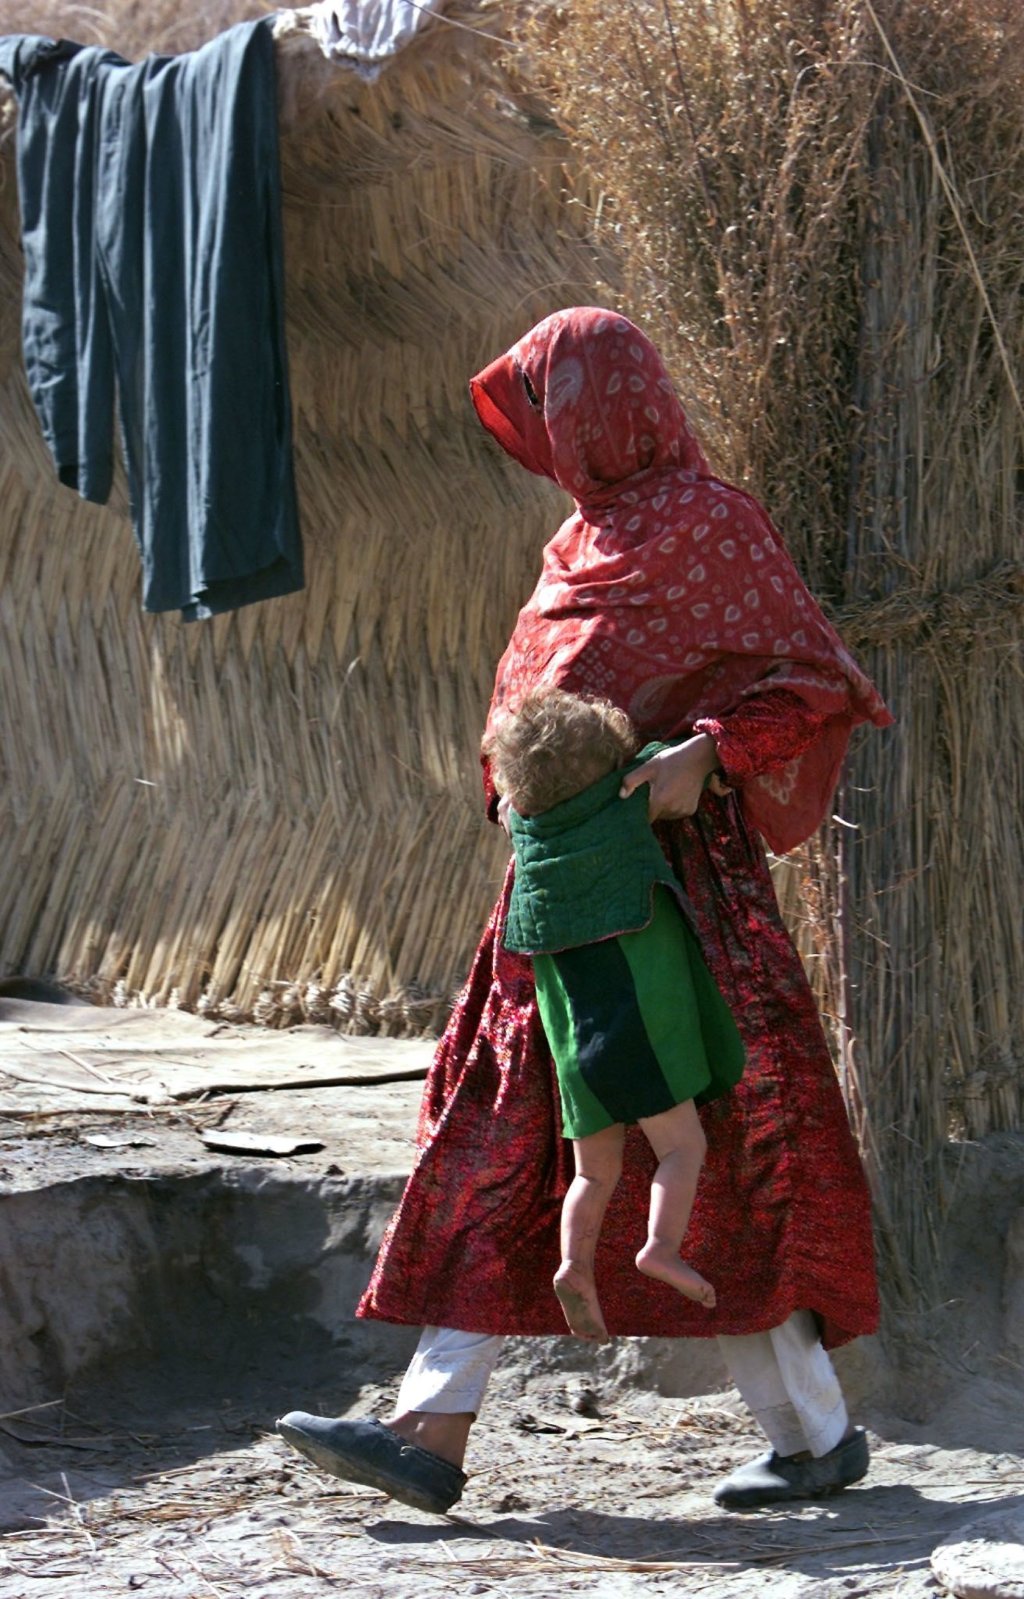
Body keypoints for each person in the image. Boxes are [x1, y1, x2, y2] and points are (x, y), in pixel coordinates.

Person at [278, 306, 894, 1515]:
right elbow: (532, 699)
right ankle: (432, 1425)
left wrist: (708, 751)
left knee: (712, 1149)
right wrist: (509, 789)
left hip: (679, 898)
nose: (551, 437)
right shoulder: (574, 545)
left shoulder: (715, 526)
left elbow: (818, 678)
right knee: (510, 1127)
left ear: (608, 408)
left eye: (557, 408)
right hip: (555, 896)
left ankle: (811, 1434)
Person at [484, 687, 745, 1340]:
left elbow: (508, 799)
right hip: (635, 1027)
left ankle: (575, 1264)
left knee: (594, 1172)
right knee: (682, 1147)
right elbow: (682, 764)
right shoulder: (626, 797)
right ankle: (660, 1245)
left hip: (573, 1046)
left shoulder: (521, 821)